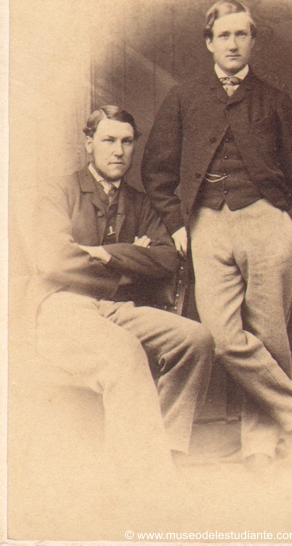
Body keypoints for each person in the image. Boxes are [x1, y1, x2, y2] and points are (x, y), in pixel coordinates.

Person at [141, 0, 292, 472]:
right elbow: (157, 171)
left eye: (241, 34)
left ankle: (260, 447)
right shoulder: (185, 97)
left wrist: (289, 228)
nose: (232, 43)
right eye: (223, 35)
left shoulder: (275, 99)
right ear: (209, 43)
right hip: (207, 225)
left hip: (266, 223)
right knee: (224, 338)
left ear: (253, 42)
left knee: (269, 334)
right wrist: (178, 225)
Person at [34, 105, 214, 488]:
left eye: (127, 142)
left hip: (114, 308)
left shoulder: (141, 203)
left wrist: (105, 254)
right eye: (109, 140)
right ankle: (137, 478)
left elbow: (167, 257)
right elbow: (53, 262)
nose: (119, 151)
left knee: (195, 339)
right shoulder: (59, 191)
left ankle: (163, 452)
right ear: (89, 144)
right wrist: (131, 260)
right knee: (123, 350)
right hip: (61, 306)